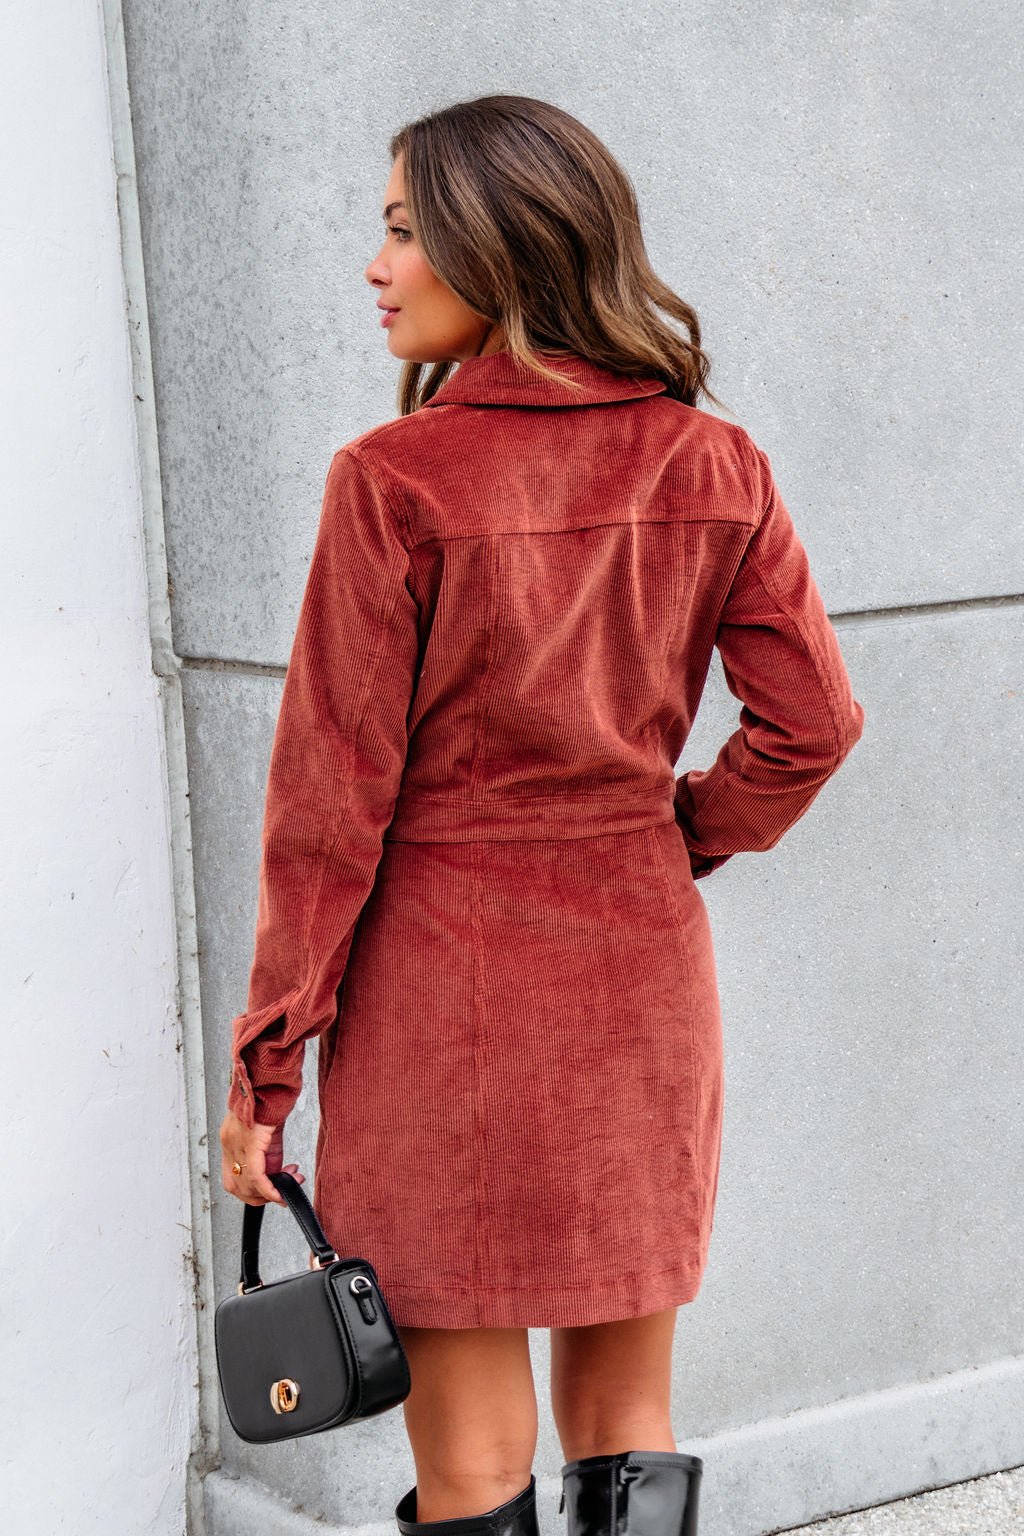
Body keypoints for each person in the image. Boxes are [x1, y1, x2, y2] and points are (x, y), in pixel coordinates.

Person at [218, 93, 865, 1536]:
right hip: (635, 988)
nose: (374, 267)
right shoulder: (714, 463)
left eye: (398, 230)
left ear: (492, 242)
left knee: (469, 1470)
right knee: (633, 1425)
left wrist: (266, 1072)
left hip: (437, 1005)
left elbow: (327, 810)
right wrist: (673, 835)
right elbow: (813, 724)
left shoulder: (390, 484)